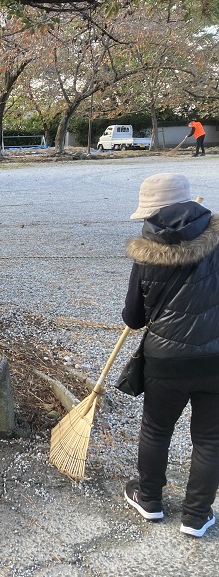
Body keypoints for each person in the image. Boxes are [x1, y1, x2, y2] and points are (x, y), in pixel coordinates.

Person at [122, 172, 219, 538]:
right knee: (211, 439)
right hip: (216, 360)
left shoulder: (146, 255)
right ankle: (196, 516)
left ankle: (148, 500)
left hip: (165, 363)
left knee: (157, 429)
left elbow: (133, 319)